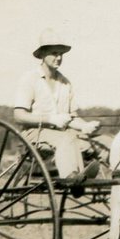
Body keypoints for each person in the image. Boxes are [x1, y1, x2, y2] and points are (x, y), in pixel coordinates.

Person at [14, 28, 100, 183]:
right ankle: (71, 178)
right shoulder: (30, 79)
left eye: (61, 54)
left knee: (99, 142)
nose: (59, 58)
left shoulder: (65, 83)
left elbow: (71, 118)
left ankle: (119, 179)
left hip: (63, 134)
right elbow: (19, 116)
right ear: (42, 54)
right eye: (54, 53)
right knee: (68, 138)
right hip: (35, 133)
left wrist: (85, 126)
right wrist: (51, 119)